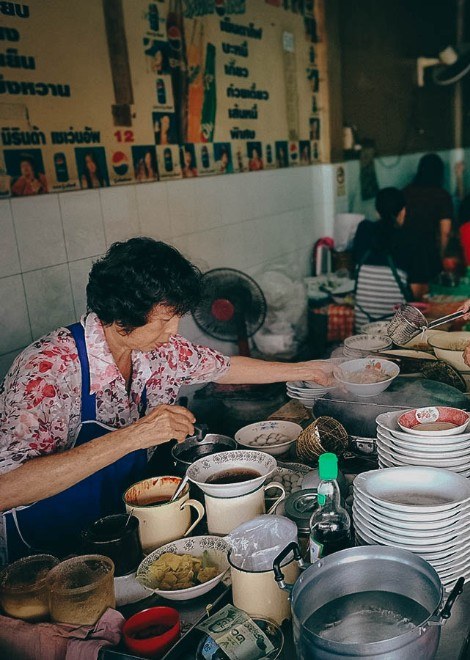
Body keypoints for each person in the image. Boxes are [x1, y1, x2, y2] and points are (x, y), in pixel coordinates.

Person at [0, 238, 332, 562]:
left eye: (177, 318)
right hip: (45, 555)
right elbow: (7, 489)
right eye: (164, 320)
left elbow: (225, 367)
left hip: (123, 532)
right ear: (123, 312)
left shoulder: (158, 350)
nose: (173, 331)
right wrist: (134, 436)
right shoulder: (48, 369)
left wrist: (307, 369)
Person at [352, 187, 428, 330]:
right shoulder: (411, 240)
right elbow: (418, 292)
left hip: (362, 328)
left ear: (377, 212)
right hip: (396, 332)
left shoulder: (363, 231)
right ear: (403, 211)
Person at [403, 153, 454, 281]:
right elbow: (445, 231)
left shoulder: (405, 192)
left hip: (405, 250)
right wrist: (441, 256)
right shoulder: (442, 196)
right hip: (429, 252)